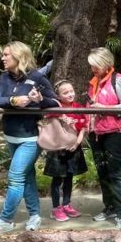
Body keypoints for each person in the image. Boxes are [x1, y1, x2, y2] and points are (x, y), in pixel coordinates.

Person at [0, 42, 58, 236]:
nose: (3, 58)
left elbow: (56, 102)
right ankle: (35, 215)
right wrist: (14, 101)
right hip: (10, 135)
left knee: (15, 177)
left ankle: (5, 220)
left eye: (7, 55)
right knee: (27, 176)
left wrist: (40, 100)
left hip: (30, 137)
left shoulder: (37, 77)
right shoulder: (5, 78)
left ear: (19, 56)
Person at [86, 47, 121, 229]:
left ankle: (120, 211)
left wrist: (102, 108)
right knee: (102, 171)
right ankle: (109, 207)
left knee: (115, 172)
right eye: (92, 66)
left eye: (96, 66)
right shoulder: (94, 82)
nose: (93, 69)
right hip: (97, 132)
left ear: (106, 64)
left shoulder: (118, 80)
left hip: (117, 131)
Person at [44, 80, 88, 223]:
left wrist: (77, 143)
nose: (70, 94)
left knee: (69, 176)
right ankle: (56, 208)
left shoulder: (79, 108)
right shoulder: (55, 108)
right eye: (65, 92)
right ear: (58, 95)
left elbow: (83, 127)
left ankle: (67, 204)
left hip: (73, 148)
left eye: (71, 91)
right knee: (57, 179)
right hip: (58, 150)